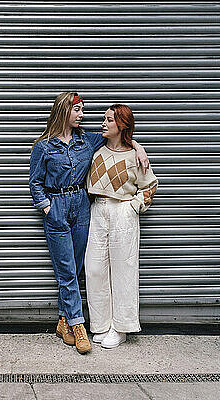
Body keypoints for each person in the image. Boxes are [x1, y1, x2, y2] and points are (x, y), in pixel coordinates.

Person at [28, 93, 148, 354]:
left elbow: (119, 139)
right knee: (67, 270)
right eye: (78, 110)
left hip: (82, 207)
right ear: (63, 112)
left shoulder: (87, 140)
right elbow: (35, 183)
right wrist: (47, 207)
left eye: (82, 110)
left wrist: (138, 147)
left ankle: (63, 321)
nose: (82, 115)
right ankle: (78, 323)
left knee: (79, 269)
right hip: (57, 206)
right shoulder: (44, 146)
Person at [84, 104, 158, 349]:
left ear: (121, 125)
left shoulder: (134, 157)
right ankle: (101, 324)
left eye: (109, 120)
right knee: (94, 269)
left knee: (123, 270)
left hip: (122, 212)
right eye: (104, 119)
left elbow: (150, 186)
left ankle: (121, 327)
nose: (103, 124)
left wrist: (134, 206)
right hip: (97, 209)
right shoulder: (96, 149)